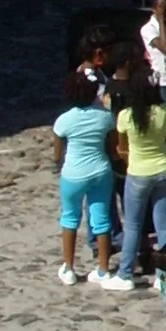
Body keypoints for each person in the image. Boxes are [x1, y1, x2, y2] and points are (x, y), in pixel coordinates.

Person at [112, 68, 166, 288]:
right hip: (164, 169)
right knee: (164, 223)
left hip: (139, 171)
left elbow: (122, 148)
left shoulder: (125, 116)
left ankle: (125, 273)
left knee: (133, 225)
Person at [51, 76, 120, 292]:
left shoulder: (64, 120)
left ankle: (69, 267)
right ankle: (103, 268)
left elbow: (57, 154)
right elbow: (112, 145)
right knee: (101, 219)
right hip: (100, 171)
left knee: (70, 218)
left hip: (73, 174)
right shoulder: (105, 117)